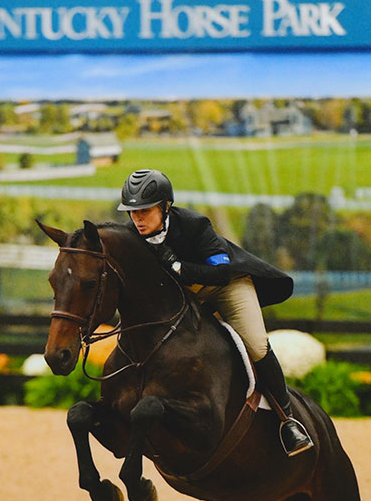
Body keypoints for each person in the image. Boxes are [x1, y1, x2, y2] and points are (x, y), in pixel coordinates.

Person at [118, 168, 313, 457]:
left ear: (165, 207)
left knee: (257, 345)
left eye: (145, 211)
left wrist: (179, 268)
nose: (138, 218)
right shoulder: (131, 235)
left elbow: (221, 272)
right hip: (188, 295)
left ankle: (288, 420)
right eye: (133, 212)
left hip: (227, 287)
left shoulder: (195, 225)